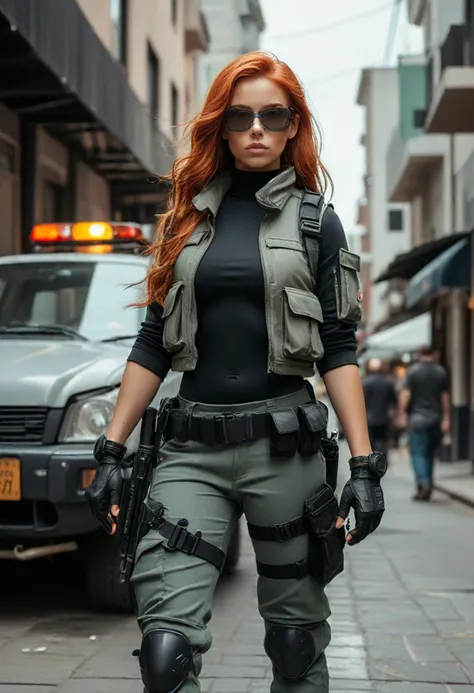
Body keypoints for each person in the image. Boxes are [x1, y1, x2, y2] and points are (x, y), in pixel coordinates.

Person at [85, 52, 386, 693]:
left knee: (295, 645)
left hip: (286, 451)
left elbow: (339, 347)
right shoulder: (182, 222)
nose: (256, 128)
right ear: (220, 127)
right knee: (165, 653)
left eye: (272, 116)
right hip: (189, 451)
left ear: (292, 126)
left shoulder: (316, 224)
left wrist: (364, 466)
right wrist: (112, 445)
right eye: (240, 115)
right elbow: (151, 343)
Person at [398, 344, 450, 501]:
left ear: (420, 354)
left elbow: (405, 394)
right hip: (435, 418)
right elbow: (445, 397)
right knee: (429, 453)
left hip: (417, 418)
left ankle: (424, 482)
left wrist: (402, 414)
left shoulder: (413, 371)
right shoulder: (440, 371)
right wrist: (447, 417)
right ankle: (428, 482)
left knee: (418, 452)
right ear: (433, 354)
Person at [362, 358, 397, 459]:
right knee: (382, 440)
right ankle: (382, 458)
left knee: (371, 441)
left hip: (368, 417)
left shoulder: (365, 383)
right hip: (384, 417)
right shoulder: (388, 383)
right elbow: (394, 401)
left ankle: (372, 459)